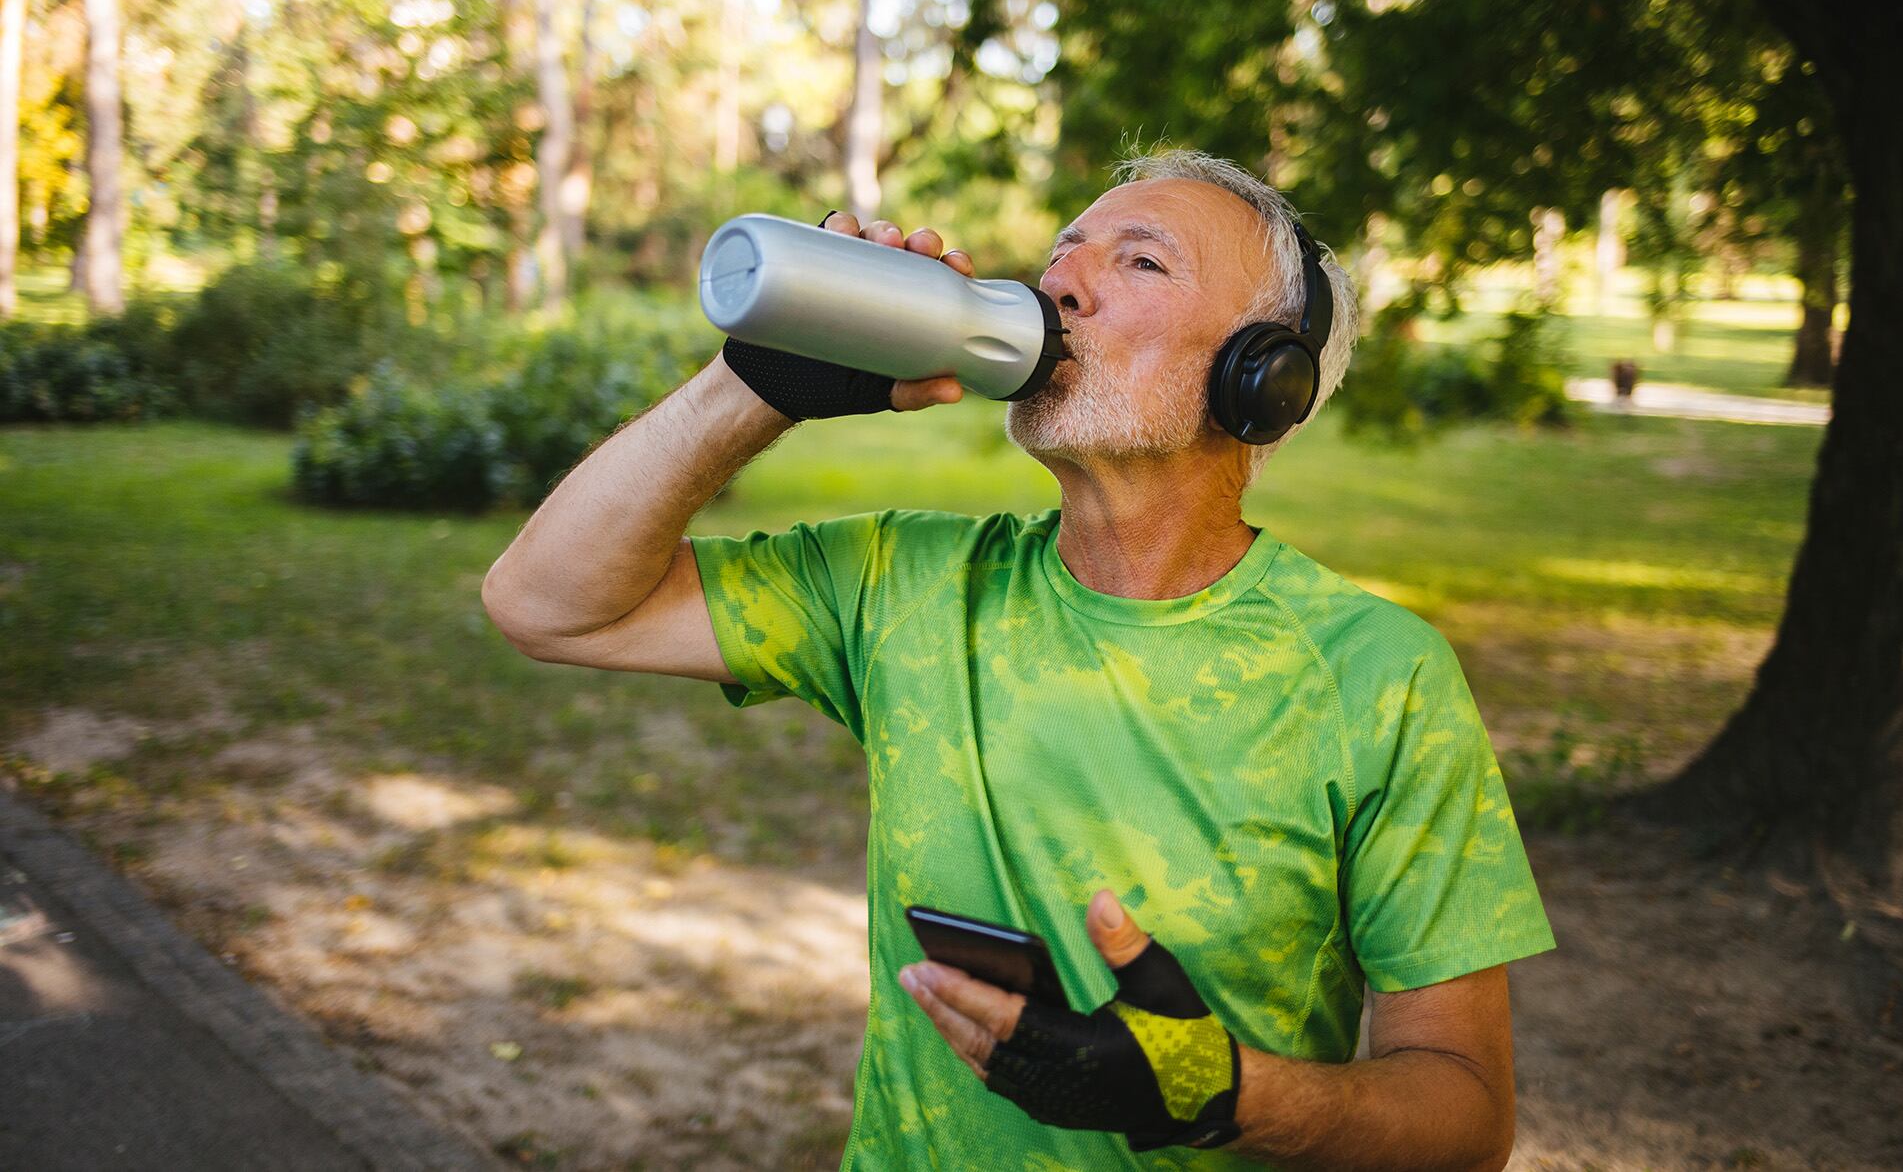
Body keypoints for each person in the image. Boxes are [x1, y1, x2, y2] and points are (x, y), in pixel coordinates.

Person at [482, 149, 1556, 1170]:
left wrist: (1220, 1090)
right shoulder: (903, 585)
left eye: (1138, 260)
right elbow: (547, 606)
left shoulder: (1376, 675)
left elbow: (1464, 1115)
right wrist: (755, 384)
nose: (1059, 285)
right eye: (1061, 251)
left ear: (1259, 377)